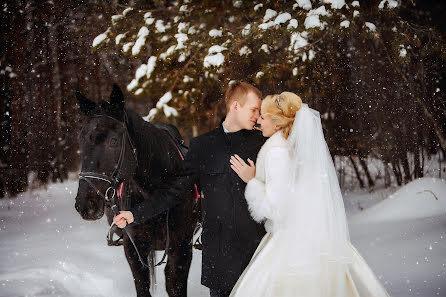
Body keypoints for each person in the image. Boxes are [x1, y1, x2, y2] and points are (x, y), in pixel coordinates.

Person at [229, 92, 390, 297]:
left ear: (277, 123)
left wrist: (251, 181)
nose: (259, 120)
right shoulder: (295, 149)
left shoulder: (276, 153)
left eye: (263, 116)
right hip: (314, 237)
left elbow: (275, 209)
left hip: (289, 242)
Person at [114, 81, 266, 297]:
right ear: (235, 106)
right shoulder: (203, 146)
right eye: (254, 109)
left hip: (257, 252)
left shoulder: (263, 144)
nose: (258, 115)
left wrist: (254, 181)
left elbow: (283, 192)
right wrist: (135, 214)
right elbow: (174, 191)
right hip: (220, 257)